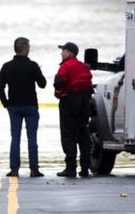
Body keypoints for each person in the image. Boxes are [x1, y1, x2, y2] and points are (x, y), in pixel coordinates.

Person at [0, 37, 47, 178]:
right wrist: (38, 72)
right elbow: (42, 84)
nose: (29, 49)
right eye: (29, 47)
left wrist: (5, 103)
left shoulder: (7, 66)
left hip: (13, 107)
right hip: (30, 106)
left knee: (15, 138)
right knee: (32, 139)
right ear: (25, 48)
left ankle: (14, 169)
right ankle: (34, 169)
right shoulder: (32, 65)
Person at [53, 42, 93, 178]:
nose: (61, 53)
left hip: (69, 101)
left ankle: (70, 168)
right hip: (83, 102)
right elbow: (89, 86)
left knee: (68, 134)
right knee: (83, 135)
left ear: (69, 53)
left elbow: (59, 82)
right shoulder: (83, 67)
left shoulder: (66, 66)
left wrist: (57, 90)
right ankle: (85, 168)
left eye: (63, 51)